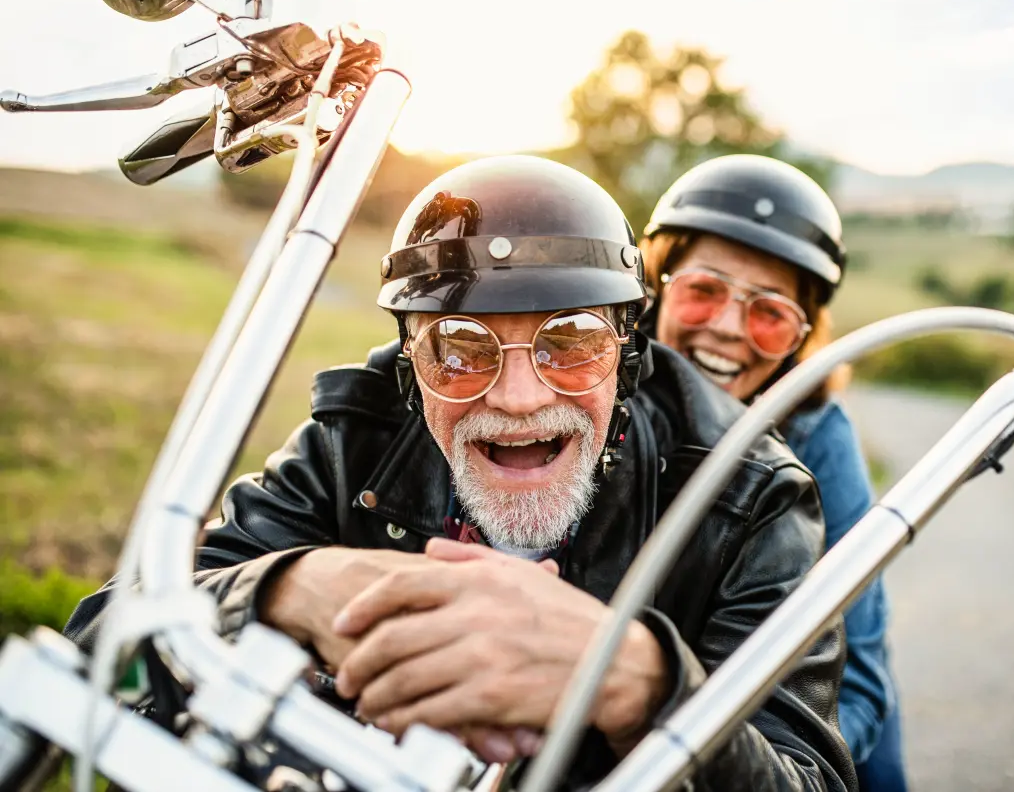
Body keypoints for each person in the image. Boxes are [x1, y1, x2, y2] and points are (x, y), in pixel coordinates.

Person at [64, 155, 859, 791]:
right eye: (460, 347)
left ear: (630, 352)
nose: (518, 398)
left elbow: (809, 776)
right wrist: (285, 589)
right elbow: (101, 644)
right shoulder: (357, 436)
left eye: (572, 340)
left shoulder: (754, 496)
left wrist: (643, 681)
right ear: (412, 369)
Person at [640, 154, 909, 792]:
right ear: (657, 286)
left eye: (768, 313)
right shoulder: (595, 394)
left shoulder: (818, 437)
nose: (729, 329)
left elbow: (859, 681)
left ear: (802, 335)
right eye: (704, 292)